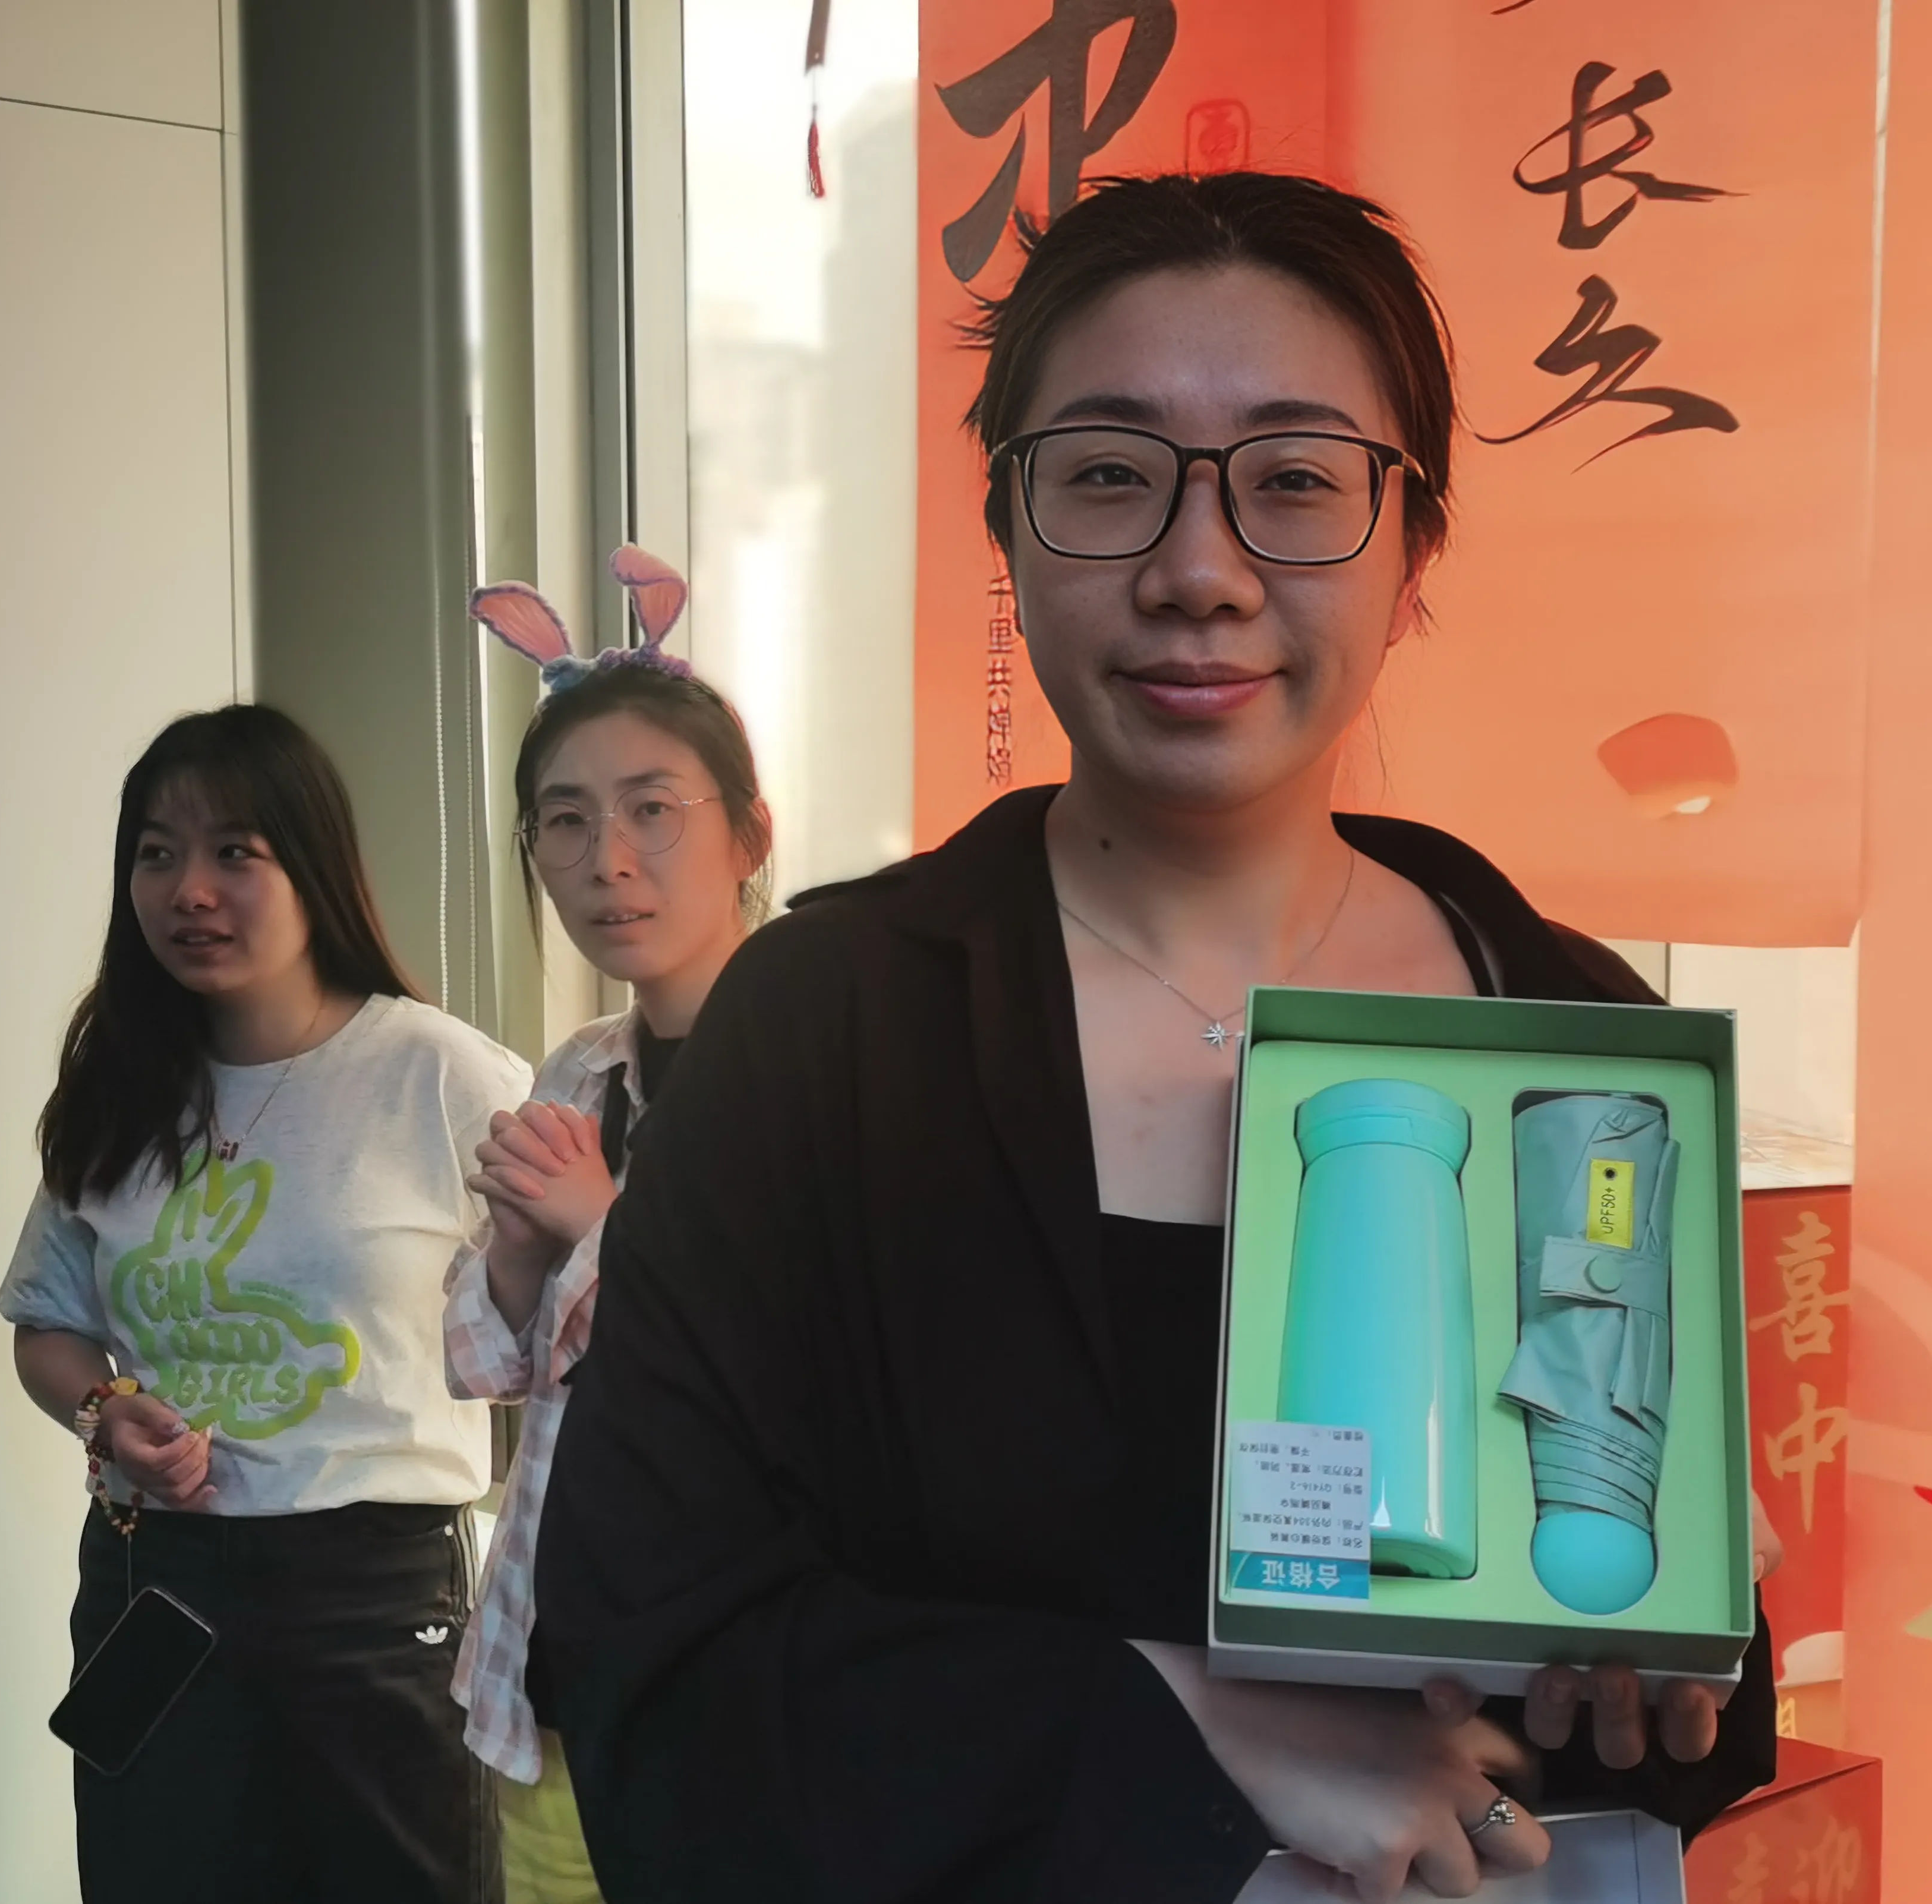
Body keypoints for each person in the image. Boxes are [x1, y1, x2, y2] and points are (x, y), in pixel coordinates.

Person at [534, 171, 1779, 1904]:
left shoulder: (1577, 1046)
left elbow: (1692, 1712)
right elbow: (646, 1653)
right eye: (1110, 475)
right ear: (1009, 525)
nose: (1200, 571)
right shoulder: (824, 1032)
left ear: (1411, 550)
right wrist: (1180, 1717)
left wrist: (1668, 1661)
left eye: (1295, 481)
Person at [0, 704, 530, 1904]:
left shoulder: (438, 1073)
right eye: (156, 853)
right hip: (153, 1579)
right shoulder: (118, 1086)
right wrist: (104, 1410)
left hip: (374, 1592)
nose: (189, 890)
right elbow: (47, 1324)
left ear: (312, 865)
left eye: (234, 851)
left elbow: (563, 1308)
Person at [445, 547, 773, 1904]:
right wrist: (524, 1251)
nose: (609, 862)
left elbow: (791, 1376)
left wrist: (599, 1226)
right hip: (558, 1666)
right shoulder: (582, 1069)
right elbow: (485, 1364)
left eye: (652, 809)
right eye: (565, 822)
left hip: (750, 1692)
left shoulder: (825, 1067)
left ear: (749, 833)